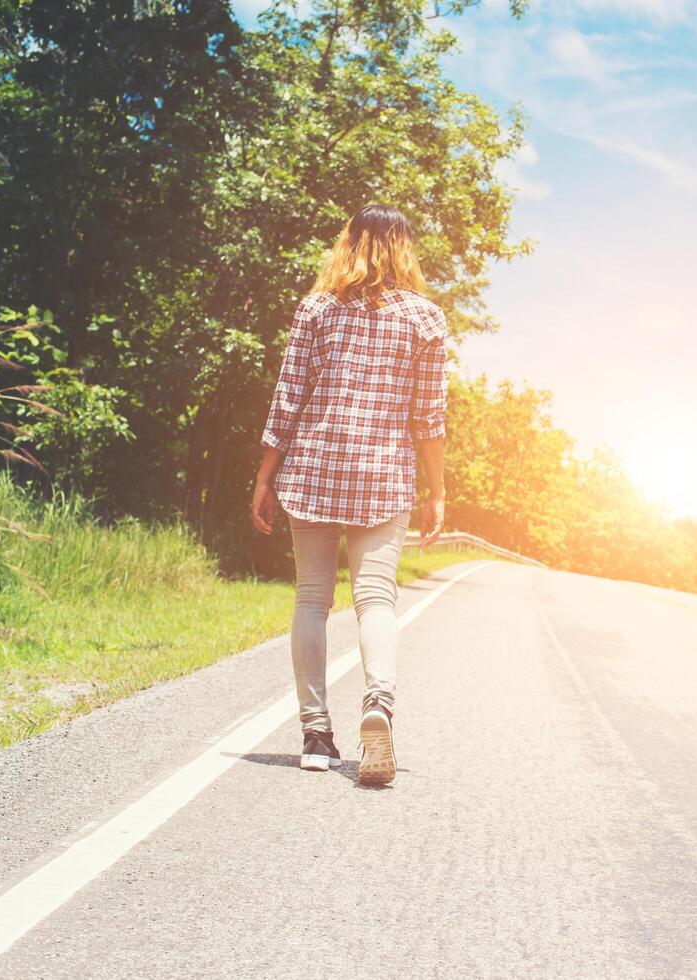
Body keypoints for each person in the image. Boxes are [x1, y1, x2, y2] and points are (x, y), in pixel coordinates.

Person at [250, 203, 447, 786]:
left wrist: (264, 475)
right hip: (384, 475)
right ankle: (378, 705)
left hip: (313, 466)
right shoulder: (426, 319)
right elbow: (429, 418)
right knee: (375, 599)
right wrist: (438, 490)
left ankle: (315, 736)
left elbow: (287, 398)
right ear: (404, 250)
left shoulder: (317, 308)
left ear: (349, 244)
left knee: (312, 599)